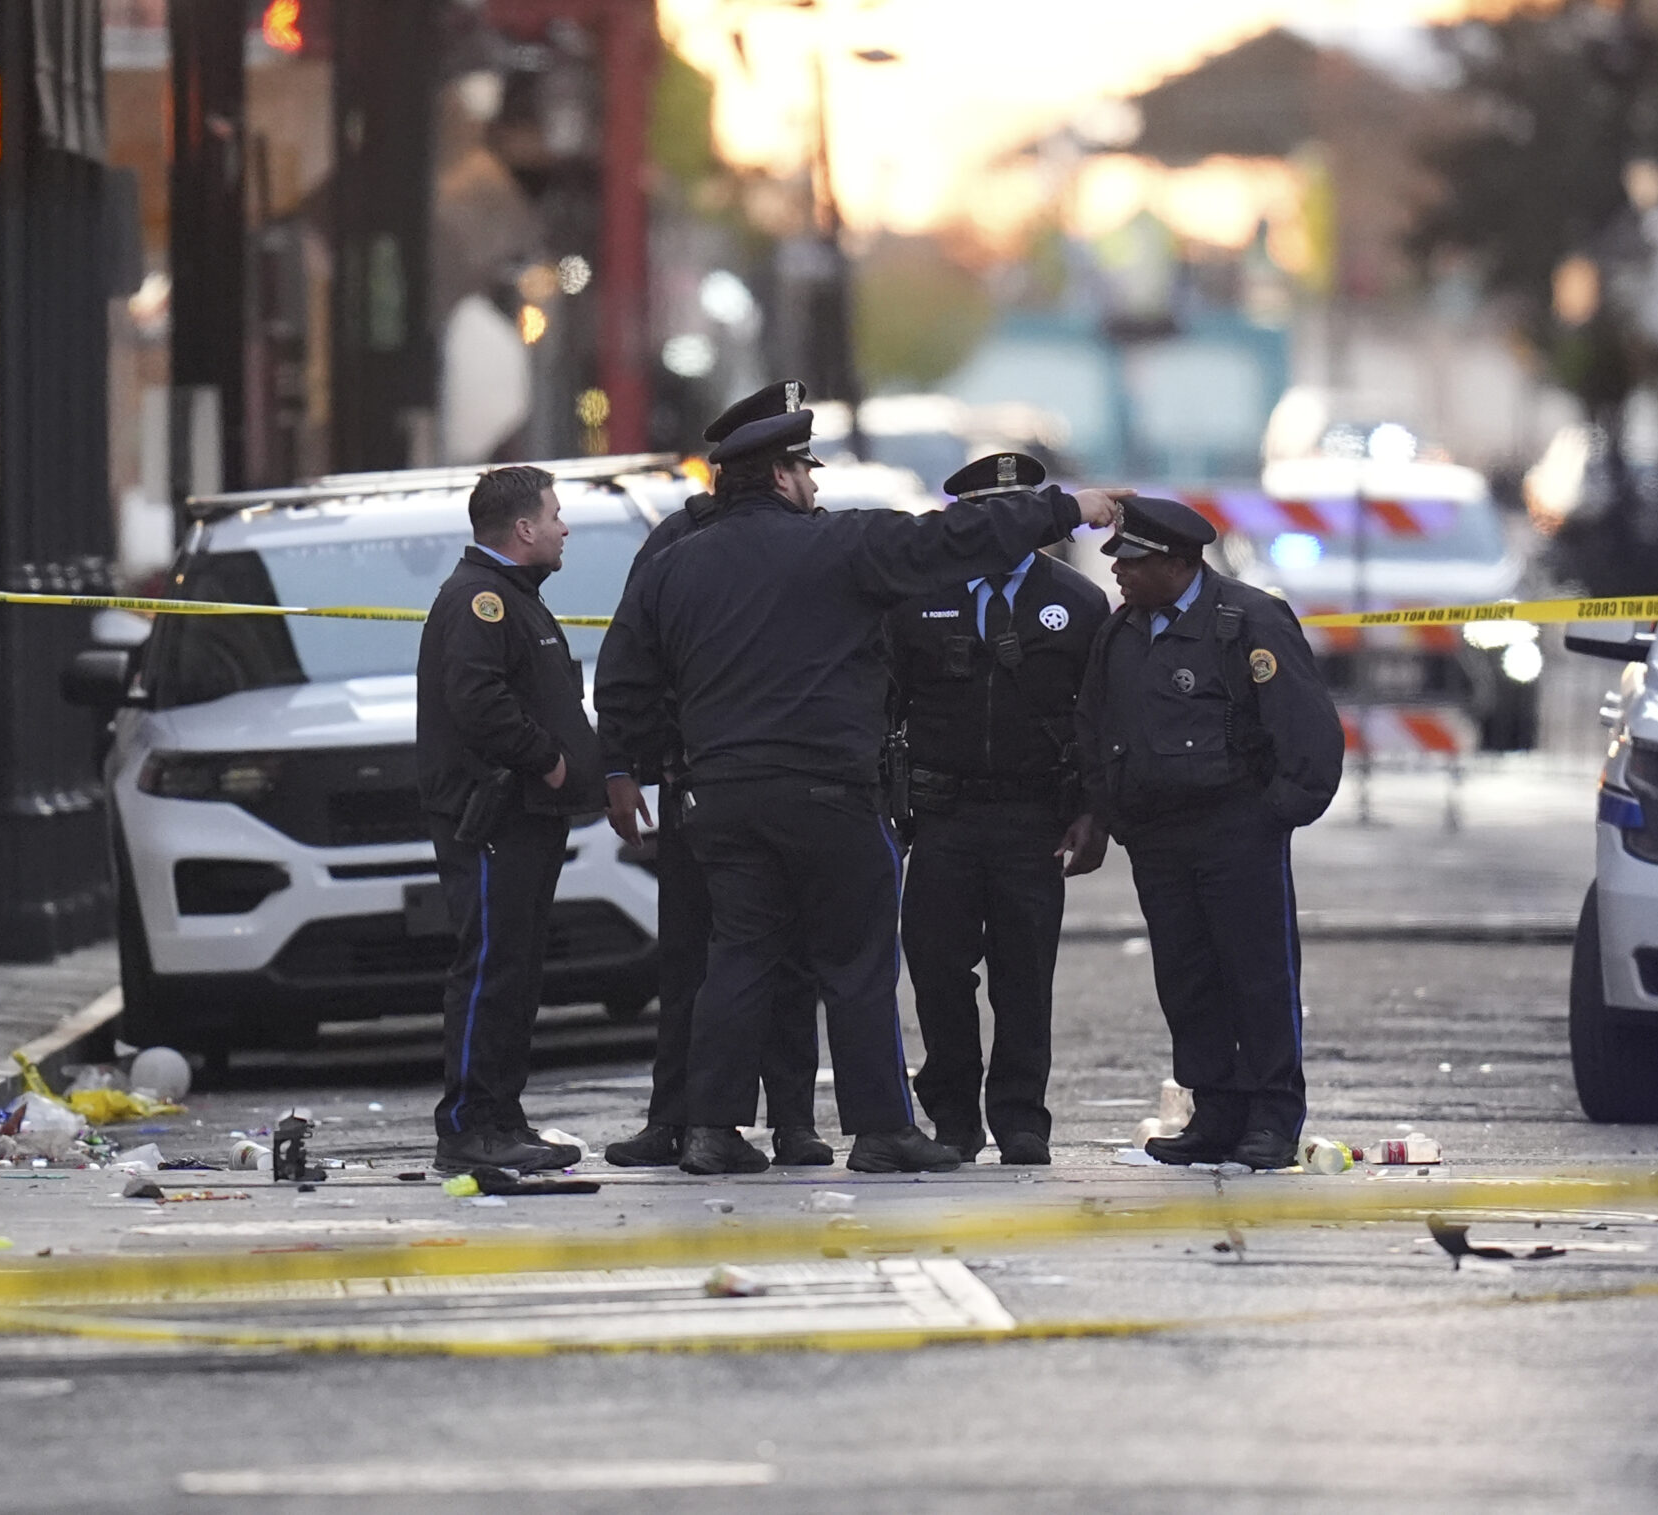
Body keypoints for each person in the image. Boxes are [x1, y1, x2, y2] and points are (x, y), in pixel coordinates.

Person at [598, 410, 1126, 1175]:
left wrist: (620, 766)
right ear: (780, 476)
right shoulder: (843, 545)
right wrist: (1069, 506)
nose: (815, 482)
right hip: (829, 795)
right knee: (855, 962)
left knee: (738, 957)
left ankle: (709, 1128)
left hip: (722, 798)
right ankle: (882, 1128)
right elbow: (954, 540)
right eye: (806, 469)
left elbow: (624, 671)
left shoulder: (678, 563)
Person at [1074, 496, 1343, 1171]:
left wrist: (1273, 815)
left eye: (1132, 561)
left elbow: (1306, 729)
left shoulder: (1247, 620)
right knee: (1188, 978)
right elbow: (1097, 726)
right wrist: (1114, 813)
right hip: (1160, 837)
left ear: (1180, 561)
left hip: (1235, 830)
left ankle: (1272, 1116)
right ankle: (1216, 1109)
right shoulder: (1123, 632)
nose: (1119, 573)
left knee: (1255, 974)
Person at [604, 383, 827, 1170]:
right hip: (693, 775)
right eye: (797, 463)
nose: (808, 481)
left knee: (790, 957)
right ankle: (676, 1117)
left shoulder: (814, 538)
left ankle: (794, 1120)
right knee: (690, 957)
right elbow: (629, 662)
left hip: (772, 777)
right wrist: (623, 767)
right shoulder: (678, 540)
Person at [886, 453, 1111, 1166]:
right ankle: (952, 1115)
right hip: (943, 817)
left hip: (1032, 816)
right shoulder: (919, 597)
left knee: (1024, 974)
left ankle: (1022, 1118)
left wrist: (1091, 812)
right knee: (937, 970)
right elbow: (883, 703)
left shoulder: (1077, 602)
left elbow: (1097, 718)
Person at [415, 466, 605, 1174]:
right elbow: (479, 700)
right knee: (492, 964)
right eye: (554, 514)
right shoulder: (482, 600)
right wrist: (547, 759)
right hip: (496, 813)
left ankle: (501, 1115)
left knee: (516, 970)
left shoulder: (512, 596)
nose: (564, 527)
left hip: (527, 816)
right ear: (522, 527)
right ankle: (467, 1124)